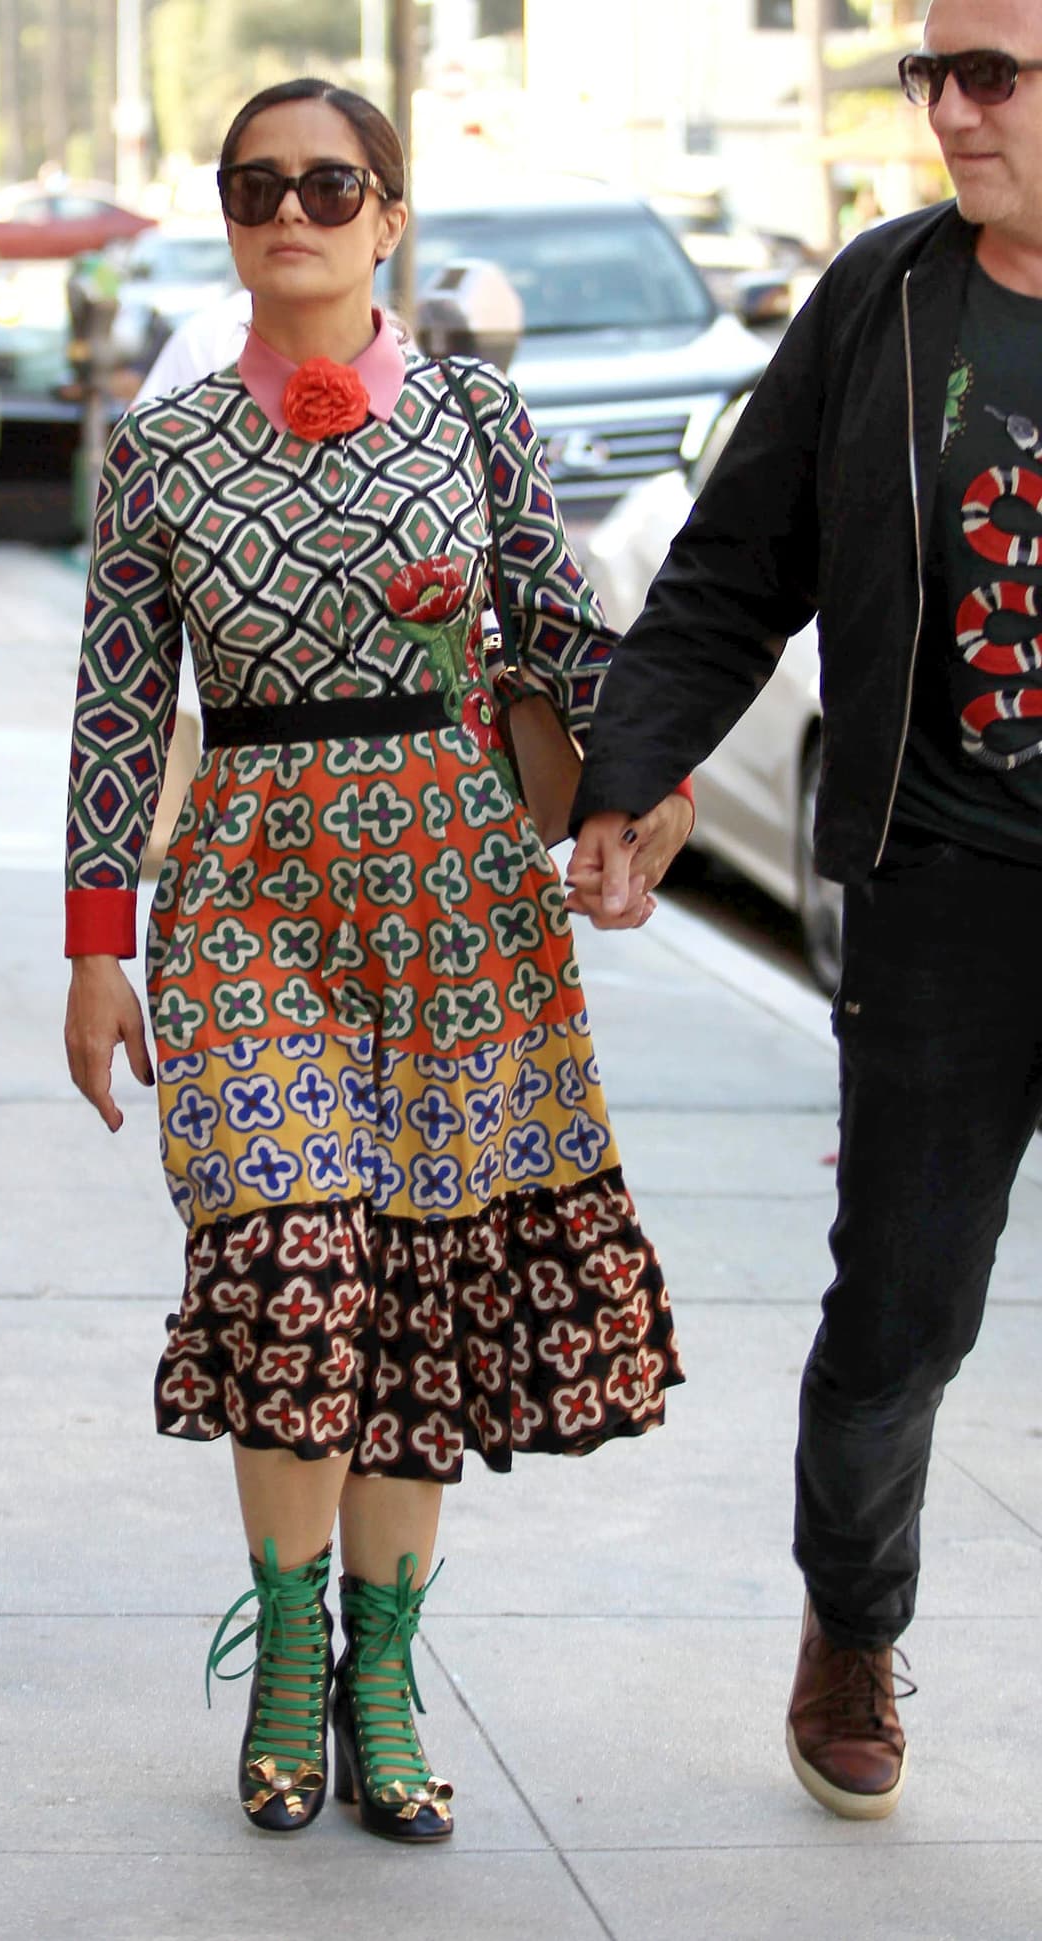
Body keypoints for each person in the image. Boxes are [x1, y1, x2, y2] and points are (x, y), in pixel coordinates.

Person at [63, 76, 692, 1842]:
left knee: (415, 1290)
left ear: (389, 215)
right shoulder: (164, 450)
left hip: (454, 900)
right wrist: (95, 950)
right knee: (289, 1267)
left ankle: (386, 1682)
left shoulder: (483, 423)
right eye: (258, 183)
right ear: (229, 212)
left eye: (330, 183)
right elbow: (121, 712)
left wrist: (642, 791)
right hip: (247, 886)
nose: (293, 210)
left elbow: (565, 631)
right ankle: (285, 1658)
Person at [567, 0, 1042, 1824]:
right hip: (945, 893)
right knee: (905, 1315)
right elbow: (734, 563)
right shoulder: (887, 298)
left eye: (987, 71)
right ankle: (854, 1619)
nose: (946, 110)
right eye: (929, 71)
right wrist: (633, 774)